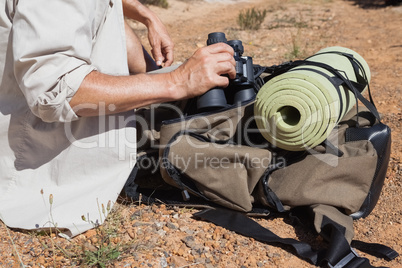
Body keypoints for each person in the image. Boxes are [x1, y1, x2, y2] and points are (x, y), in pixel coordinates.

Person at [0, 0, 236, 237]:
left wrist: (146, 17)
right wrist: (176, 82)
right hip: (37, 172)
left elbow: (106, 12)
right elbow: (54, 89)